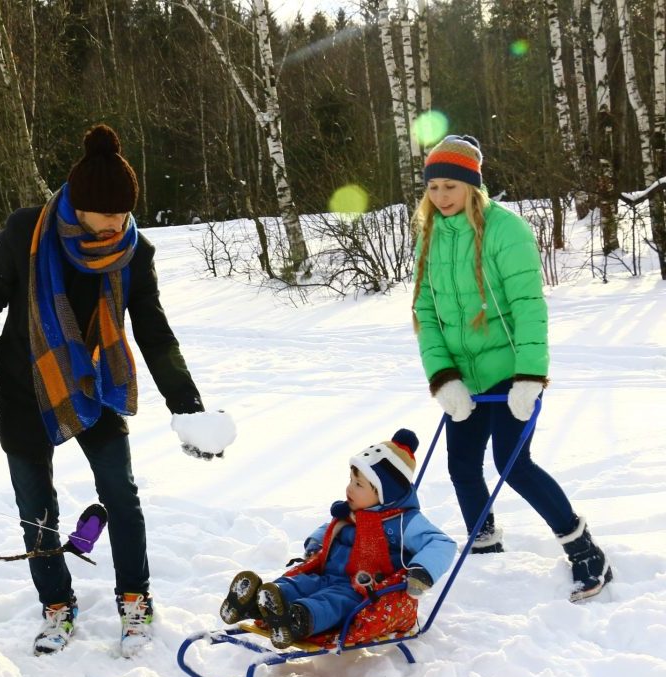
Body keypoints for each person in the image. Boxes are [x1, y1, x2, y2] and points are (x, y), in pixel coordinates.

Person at [0, 123, 234, 657]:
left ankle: (135, 599)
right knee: (35, 507)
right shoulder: (26, 234)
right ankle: (56, 606)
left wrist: (188, 408)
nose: (117, 223)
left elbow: (153, 332)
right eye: (106, 213)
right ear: (78, 207)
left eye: (124, 213)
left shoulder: (134, 252)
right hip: (23, 383)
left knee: (121, 495)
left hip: (94, 383)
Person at [411, 134, 612, 602]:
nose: (441, 197)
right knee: (460, 464)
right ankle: (484, 544)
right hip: (464, 377)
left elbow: (528, 308)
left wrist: (529, 377)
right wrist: (443, 378)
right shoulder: (429, 233)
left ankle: (584, 551)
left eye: (451, 187)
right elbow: (425, 311)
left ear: (472, 187)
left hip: (508, 370)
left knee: (511, 462)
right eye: (434, 187)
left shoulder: (506, 230)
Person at [220, 429, 456, 648]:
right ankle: (258, 602)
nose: (349, 489)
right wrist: (315, 543)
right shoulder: (353, 512)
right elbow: (330, 528)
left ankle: (298, 620)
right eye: (351, 480)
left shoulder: (405, 521)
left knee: (332, 602)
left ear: (385, 494)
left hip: (360, 589)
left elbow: (441, 543)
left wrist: (421, 571)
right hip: (327, 575)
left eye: (358, 484)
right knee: (301, 584)